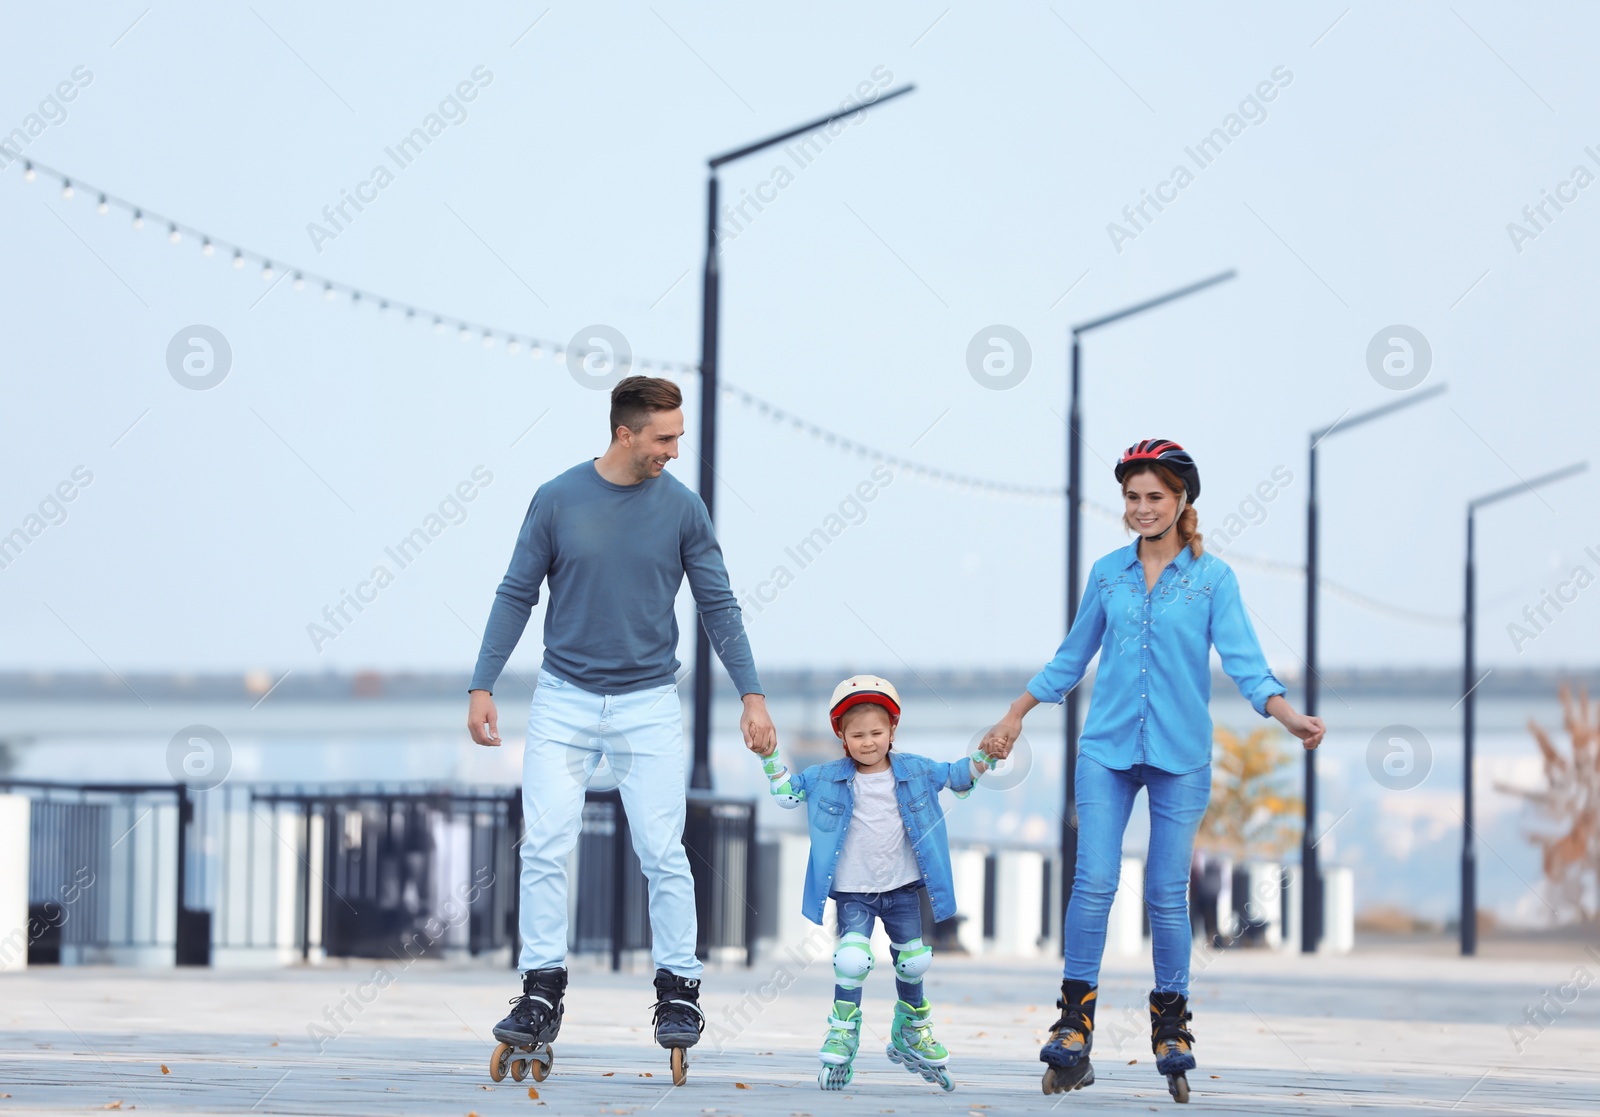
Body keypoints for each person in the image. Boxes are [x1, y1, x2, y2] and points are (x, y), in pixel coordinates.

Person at [980, 439, 1325, 1101]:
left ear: (1182, 500)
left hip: (1180, 755)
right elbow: (1071, 657)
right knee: (1096, 878)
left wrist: (1289, 716)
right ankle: (1075, 1021)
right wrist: (1015, 713)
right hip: (1106, 748)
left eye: (1155, 497)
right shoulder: (1108, 573)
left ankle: (1170, 1021)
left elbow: (1246, 663)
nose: (1142, 508)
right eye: (1133, 497)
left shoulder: (1212, 578)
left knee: (1167, 890)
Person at [467, 375, 777, 1081]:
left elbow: (719, 605)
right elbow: (517, 590)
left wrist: (751, 694)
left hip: (646, 703)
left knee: (662, 850)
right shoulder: (558, 498)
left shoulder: (683, 510)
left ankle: (679, 991)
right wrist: (483, 682)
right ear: (625, 434)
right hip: (563, 698)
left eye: (679, 436)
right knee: (544, 842)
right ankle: (541, 992)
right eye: (664, 438)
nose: (675, 449)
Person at [748, 674, 990, 1092]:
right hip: (854, 892)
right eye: (856, 734)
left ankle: (912, 1029)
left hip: (901, 890)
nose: (868, 741)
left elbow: (958, 776)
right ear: (841, 736)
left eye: (877, 732)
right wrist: (769, 757)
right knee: (852, 960)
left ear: (892, 730)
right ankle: (843, 1029)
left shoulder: (915, 770)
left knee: (913, 961)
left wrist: (989, 755)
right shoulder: (826, 776)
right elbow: (787, 793)